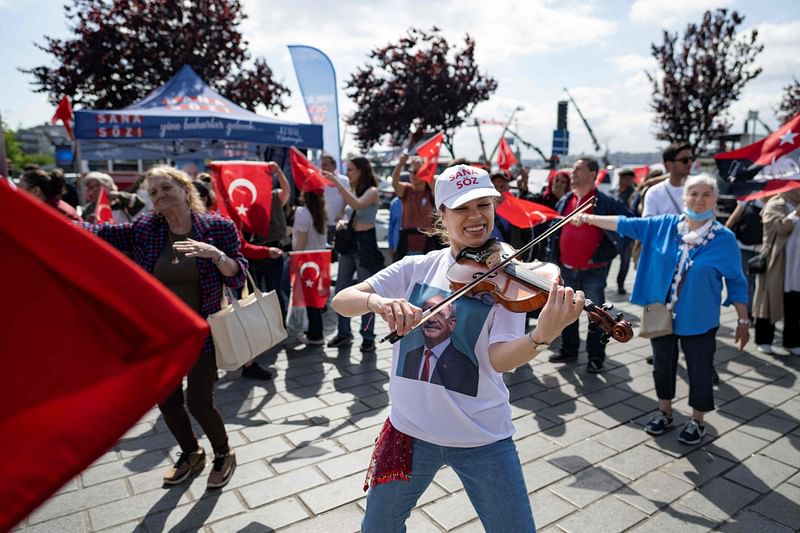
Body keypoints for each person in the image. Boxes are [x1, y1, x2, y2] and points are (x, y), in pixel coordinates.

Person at [333, 164, 584, 532]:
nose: (475, 217)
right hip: (409, 430)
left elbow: (498, 359)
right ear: (442, 215)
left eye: (484, 205)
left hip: (481, 435)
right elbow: (343, 299)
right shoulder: (415, 267)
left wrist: (540, 337)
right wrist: (378, 304)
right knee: (378, 528)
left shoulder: (506, 275)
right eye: (462, 208)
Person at [82, 165, 243, 488]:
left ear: (185, 191)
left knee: (199, 401)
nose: (159, 195)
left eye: (166, 188)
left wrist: (215, 255)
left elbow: (237, 274)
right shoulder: (146, 227)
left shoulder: (217, 227)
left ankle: (223, 453)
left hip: (203, 332)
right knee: (167, 401)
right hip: (161, 335)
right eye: (153, 192)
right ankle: (190, 452)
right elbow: (98, 232)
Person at [573, 174, 750, 445]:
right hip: (659, 312)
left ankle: (697, 420)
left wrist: (743, 320)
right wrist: (588, 218)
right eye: (693, 193)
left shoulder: (724, 239)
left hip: (700, 318)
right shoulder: (665, 225)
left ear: (715, 199)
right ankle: (664, 412)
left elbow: (737, 281)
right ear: (684, 197)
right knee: (662, 366)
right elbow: (626, 224)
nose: (699, 200)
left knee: (700, 370)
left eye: (706, 194)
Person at [547, 157, 634, 373]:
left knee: (597, 317)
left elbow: (629, 224)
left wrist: (609, 251)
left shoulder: (604, 201)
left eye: (578, 169)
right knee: (567, 313)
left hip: (593, 270)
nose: (572, 173)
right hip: (566, 267)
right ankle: (569, 349)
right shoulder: (566, 199)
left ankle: (596, 358)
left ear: (593, 174)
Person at [324, 157, 384, 352]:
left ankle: (368, 337)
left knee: (366, 292)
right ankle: (344, 333)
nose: (347, 173)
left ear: (361, 171)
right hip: (349, 243)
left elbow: (357, 205)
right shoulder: (352, 191)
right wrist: (341, 221)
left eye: (350, 170)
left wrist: (337, 183)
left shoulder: (372, 191)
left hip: (365, 243)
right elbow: (341, 214)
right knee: (341, 288)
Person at [752, 187, 800, 355]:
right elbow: (778, 227)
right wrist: (796, 214)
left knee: (794, 303)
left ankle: (792, 341)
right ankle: (763, 339)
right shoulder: (775, 204)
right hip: (777, 262)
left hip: (797, 263)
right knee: (768, 301)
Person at [398, 295, 478, 396]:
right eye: (426, 313)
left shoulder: (466, 367)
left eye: (439, 314)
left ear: (452, 324)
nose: (431, 319)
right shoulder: (411, 356)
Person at [292, 186, 329, 345]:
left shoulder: (302, 212)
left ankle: (315, 335)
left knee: (309, 300)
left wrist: (294, 258)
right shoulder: (321, 211)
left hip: (306, 259)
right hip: (320, 257)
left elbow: (301, 240)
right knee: (315, 299)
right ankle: (314, 332)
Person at [390, 152, 440, 259]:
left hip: (427, 244)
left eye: (417, 172)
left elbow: (434, 184)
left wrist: (426, 167)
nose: (413, 175)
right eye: (411, 172)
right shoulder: (407, 190)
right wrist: (401, 163)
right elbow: (394, 182)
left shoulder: (431, 190)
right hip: (407, 243)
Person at [725, 198, 764, 321]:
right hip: (746, 246)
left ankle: (753, 311)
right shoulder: (748, 200)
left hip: (763, 249)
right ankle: (748, 312)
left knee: (756, 282)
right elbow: (733, 219)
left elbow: (732, 220)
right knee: (748, 281)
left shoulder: (774, 203)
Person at [641, 142, 693, 217]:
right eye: (685, 160)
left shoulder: (701, 188)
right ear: (669, 164)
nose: (690, 163)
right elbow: (649, 224)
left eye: (691, 159)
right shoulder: (654, 193)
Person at [610, 168, 638, 294]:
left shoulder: (634, 195)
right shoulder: (615, 192)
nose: (621, 181)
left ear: (631, 179)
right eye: (620, 178)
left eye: (625, 178)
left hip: (626, 234)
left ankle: (620, 284)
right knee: (608, 258)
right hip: (612, 232)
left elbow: (635, 215)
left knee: (625, 261)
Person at [81, 171, 146, 223]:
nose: (95, 189)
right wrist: (87, 222)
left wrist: (118, 195)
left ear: (108, 185)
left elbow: (140, 204)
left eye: (98, 185)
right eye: (91, 187)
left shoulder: (120, 202)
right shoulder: (88, 209)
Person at [320, 155, 350, 247]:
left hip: (339, 222)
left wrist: (341, 212)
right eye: (321, 165)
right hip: (323, 223)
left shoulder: (344, 180)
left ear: (334, 166)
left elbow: (348, 198)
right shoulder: (318, 179)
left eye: (325, 165)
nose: (322, 167)